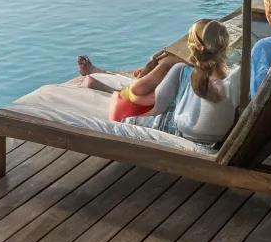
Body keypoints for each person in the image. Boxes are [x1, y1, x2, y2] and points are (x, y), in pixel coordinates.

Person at [79, 20, 236, 147]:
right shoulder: (235, 76)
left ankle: (101, 82)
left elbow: (150, 103)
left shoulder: (183, 71)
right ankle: (101, 78)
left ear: (192, 47)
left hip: (184, 134)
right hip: (219, 139)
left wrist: (132, 118)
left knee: (129, 105)